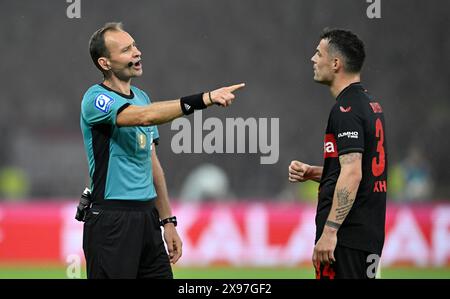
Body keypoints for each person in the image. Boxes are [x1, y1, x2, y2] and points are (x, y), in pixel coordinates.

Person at [80, 22, 245, 279]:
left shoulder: (142, 97)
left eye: (134, 45)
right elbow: (144, 117)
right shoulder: (95, 99)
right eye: (126, 50)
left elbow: (152, 163)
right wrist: (204, 99)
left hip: (147, 218)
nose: (137, 52)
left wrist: (168, 221)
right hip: (111, 220)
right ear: (105, 63)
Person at [288, 29, 387, 279]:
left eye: (318, 53)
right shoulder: (370, 105)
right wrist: (315, 172)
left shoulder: (346, 109)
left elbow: (353, 174)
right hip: (367, 236)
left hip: (346, 238)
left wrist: (330, 231)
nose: (313, 59)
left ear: (335, 63)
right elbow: (362, 171)